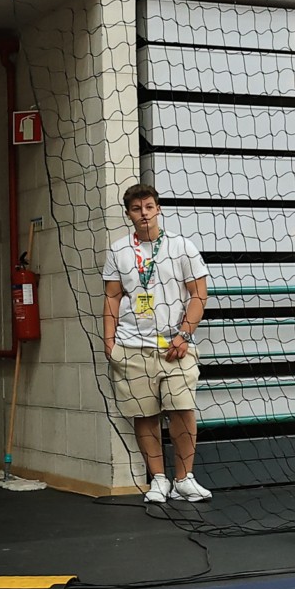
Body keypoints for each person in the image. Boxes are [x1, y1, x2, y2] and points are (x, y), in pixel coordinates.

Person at [102, 184, 209, 504]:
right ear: (128, 214)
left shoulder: (181, 246)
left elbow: (199, 294)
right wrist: (109, 341)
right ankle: (159, 480)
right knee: (144, 414)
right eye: (137, 209)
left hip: (175, 346)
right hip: (132, 346)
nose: (144, 214)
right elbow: (112, 296)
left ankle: (184, 479)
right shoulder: (119, 250)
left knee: (182, 409)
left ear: (158, 209)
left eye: (149, 207)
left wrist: (185, 334)